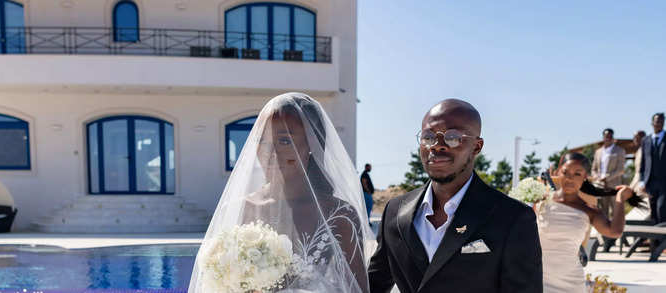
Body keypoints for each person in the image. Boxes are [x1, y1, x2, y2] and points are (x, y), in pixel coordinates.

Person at [188, 93, 375, 293]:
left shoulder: (339, 214)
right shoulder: (238, 210)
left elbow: (359, 289)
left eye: (284, 141)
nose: (270, 153)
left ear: (312, 146)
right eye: (262, 142)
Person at [368, 99, 542, 293]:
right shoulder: (395, 212)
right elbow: (373, 285)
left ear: (477, 146)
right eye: (428, 136)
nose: (437, 145)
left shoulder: (513, 218)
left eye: (452, 136)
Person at [541, 153, 634, 293]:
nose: (570, 178)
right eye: (565, 172)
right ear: (559, 171)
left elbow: (615, 231)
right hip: (539, 280)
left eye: (577, 174)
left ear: (585, 177)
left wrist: (620, 200)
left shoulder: (589, 211)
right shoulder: (540, 201)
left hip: (571, 283)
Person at [590, 127, 625, 250]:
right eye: (606, 136)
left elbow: (621, 169)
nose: (607, 138)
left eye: (609, 136)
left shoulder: (619, 151)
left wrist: (607, 178)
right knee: (602, 214)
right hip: (600, 186)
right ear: (603, 137)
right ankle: (606, 241)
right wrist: (596, 177)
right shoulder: (598, 152)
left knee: (615, 212)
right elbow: (594, 168)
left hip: (613, 186)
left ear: (612, 137)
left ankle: (614, 239)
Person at [638, 112, 666, 223]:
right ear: (652, 123)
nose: (659, 123)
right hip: (650, 181)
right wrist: (642, 181)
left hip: (664, 181)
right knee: (653, 210)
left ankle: (663, 237)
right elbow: (643, 162)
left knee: (662, 208)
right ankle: (654, 239)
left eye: (661, 121)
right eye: (657, 121)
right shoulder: (646, 140)